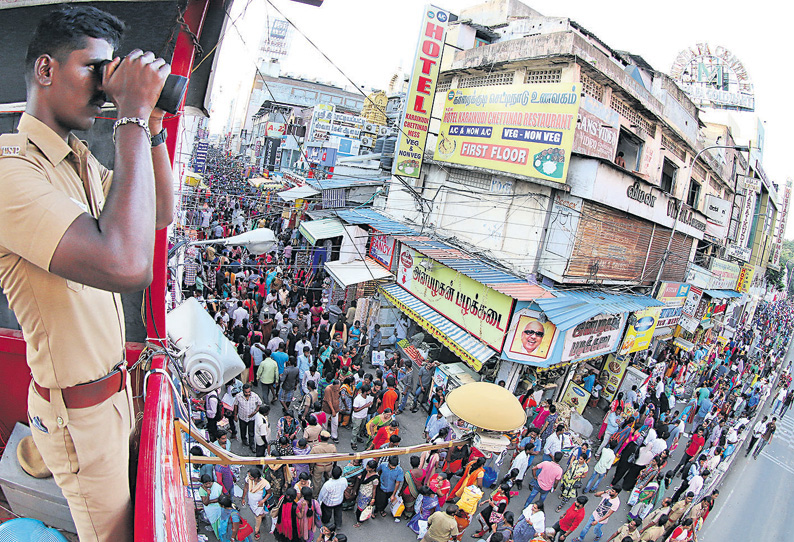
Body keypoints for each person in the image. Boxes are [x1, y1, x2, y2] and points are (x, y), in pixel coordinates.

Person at [0, 6, 173, 541]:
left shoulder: (78, 161)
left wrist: (153, 131)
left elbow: (158, 216)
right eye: (94, 70)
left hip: (112, 396)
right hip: (79, 415)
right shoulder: (10, 173)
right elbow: (127, 263)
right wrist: (130, 117)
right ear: (46, 71)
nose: (104, 89)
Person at [242, 468, 271, 540]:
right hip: (251, 502)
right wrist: (243, 498)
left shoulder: (265, 483)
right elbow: (245, 488)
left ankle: (256, 531)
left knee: (257, 516)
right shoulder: (248, 479)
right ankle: (262, 516)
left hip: (259, 504)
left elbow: (269, 493)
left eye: (251, 476)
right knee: (258, 514)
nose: (249, 477)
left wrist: (263, 501)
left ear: (256, 478)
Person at [234, 383, 263, 451]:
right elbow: (235, 405)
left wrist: (255, 412)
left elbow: (259, 404)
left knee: (251, 433)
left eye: (249, 392)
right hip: (242, 417)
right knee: (242, 431)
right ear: (243, 391)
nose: (247, 393)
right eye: (246, 392)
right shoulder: (238, 396)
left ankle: (252, 445)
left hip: (251, 418)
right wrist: (235, 415)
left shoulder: (255, 396)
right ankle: (244, 440)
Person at [353, 460, 379, 527]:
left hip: (366, 496)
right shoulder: (365, 471)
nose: (367, 468)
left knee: (360, 510)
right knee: (360, 507)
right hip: (361, 492)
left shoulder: (375, 479)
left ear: (373, 469)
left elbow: (374, 489)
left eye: (369, 467)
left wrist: (373, 498)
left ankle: (359, 521)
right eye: (367, 466)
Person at [200, 474, 224, 538]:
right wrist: (208, 495)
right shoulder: (201, 490)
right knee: (214, 523)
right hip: (210, 510)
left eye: (209, 483)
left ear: (211, 482)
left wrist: (210, 501)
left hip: (219, 508)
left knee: (221, 523)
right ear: (203, 484)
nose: (208, 485)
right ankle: (219, 537)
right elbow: (205, 503)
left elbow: (221, 497)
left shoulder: (217, 486)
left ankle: (222, 535)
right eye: (206, 484)